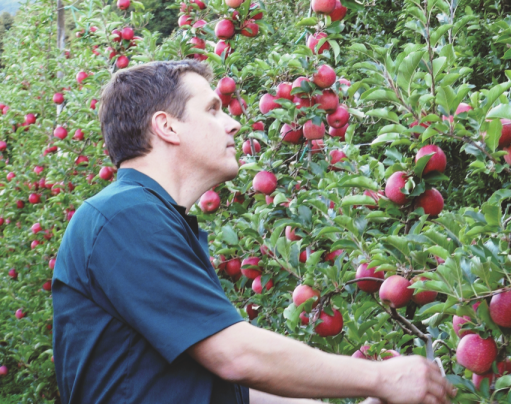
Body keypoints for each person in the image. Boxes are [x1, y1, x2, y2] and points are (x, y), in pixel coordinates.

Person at [51, 60, 456, 404]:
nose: (232, 123)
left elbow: (233, 390)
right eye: (212, 110)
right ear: (167, 127)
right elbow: (236, 356)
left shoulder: (154, 218)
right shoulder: (124, 216)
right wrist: (381, 377)